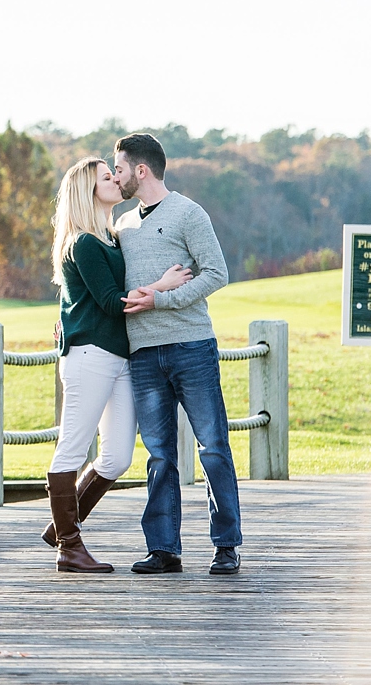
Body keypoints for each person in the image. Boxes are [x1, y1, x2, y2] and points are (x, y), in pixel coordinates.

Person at [42, 157, 191, 573]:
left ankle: (61, 526)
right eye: (106, 177)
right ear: (88, 190)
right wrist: (161, 286)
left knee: (118, 457)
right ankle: (68, 547)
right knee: (71, 448)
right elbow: (109, 303)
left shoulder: (109, 236)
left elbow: (81, 299)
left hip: (118, 358)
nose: (115, 180)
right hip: (90, 356)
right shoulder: (84, 243)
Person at [112, 132, 241, 576]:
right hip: (144, 354)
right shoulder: (122, 225)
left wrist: (161, 300)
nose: (116, 176)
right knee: (160, 454)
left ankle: (226, 545)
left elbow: (217, 273)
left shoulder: (189, 213)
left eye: (121, 169)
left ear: (141, 170)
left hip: (191, 347)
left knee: (213, 448)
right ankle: (163, 549)